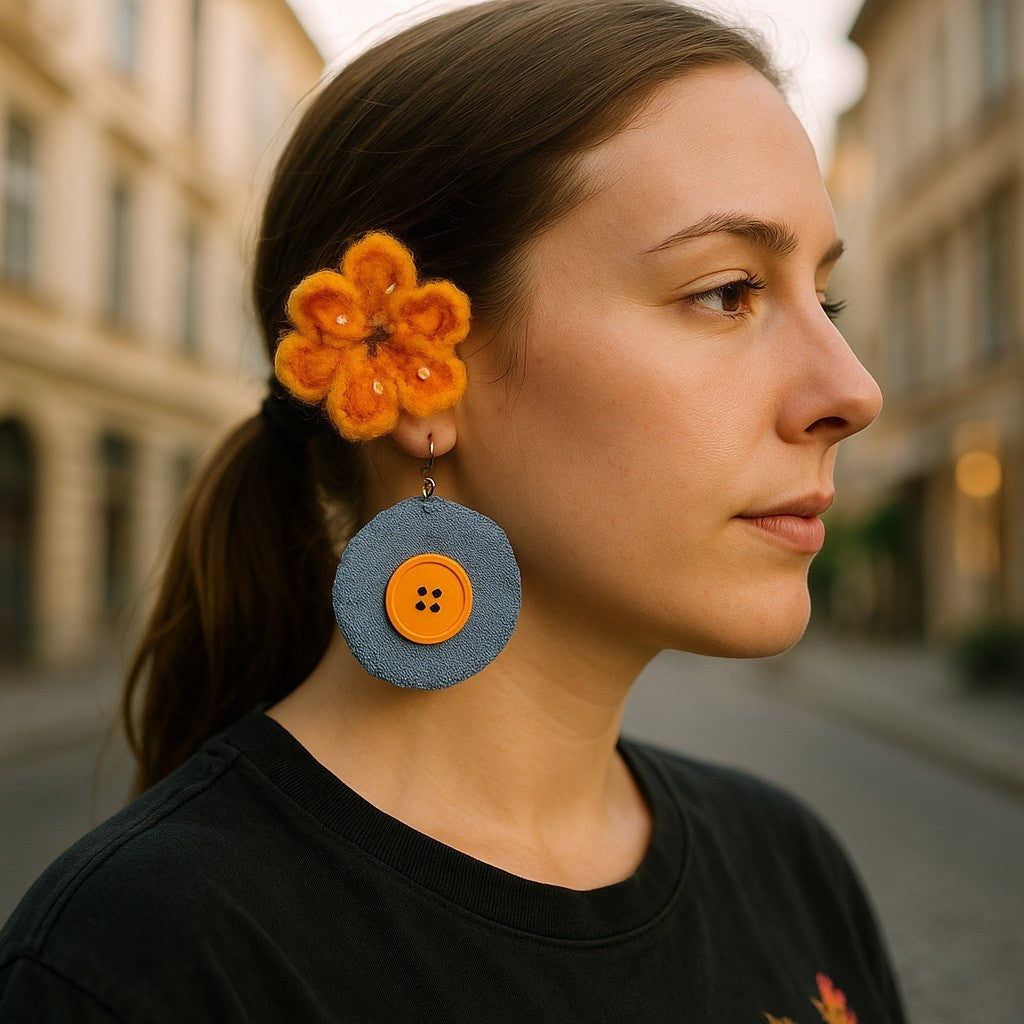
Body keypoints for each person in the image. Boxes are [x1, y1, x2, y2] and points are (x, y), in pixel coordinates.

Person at [0, 1, 904, 1020]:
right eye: (726, 290)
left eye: (823, 302)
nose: (851, 390)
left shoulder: (789, 862)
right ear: (423, 371)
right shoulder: (142, 965)